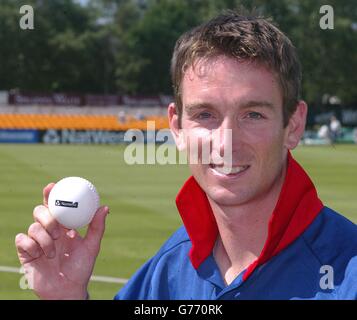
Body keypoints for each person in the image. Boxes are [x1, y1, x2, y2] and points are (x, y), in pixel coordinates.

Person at [15, 11, 357, 300]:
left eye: (253, 114)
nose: (225, 144)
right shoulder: (167, 269)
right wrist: (69, 295)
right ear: (177, 128)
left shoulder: (348, 273)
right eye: (205, 114)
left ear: (294, 125)